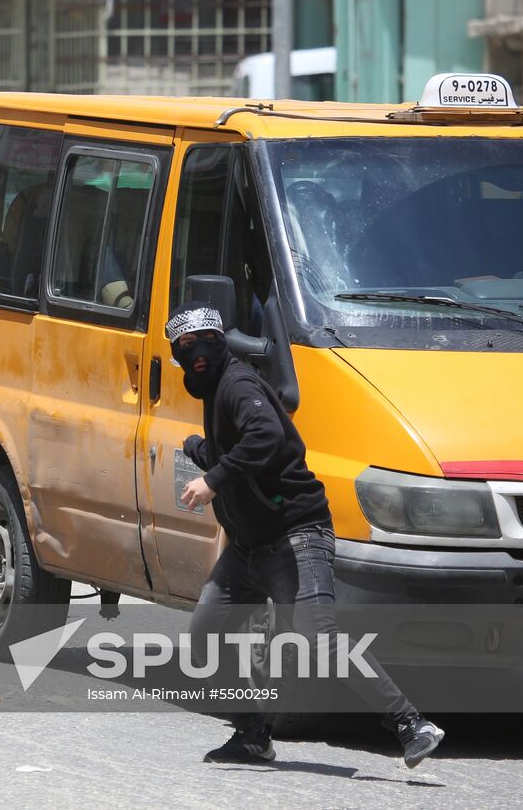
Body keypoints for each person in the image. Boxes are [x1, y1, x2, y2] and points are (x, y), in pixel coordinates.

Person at [167, 302, 444, 768]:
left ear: (223, 341)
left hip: (294, 537)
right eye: (186, 346)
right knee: (205, 635)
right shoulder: (216, 391)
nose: (197, 354)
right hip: (248, 547)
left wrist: (212, 479)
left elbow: (266, 436)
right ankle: (252, 736)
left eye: (207, 342)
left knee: (319, 638)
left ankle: (411, 725)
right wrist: (201, 449)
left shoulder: (236, 384)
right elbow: (246, 457)